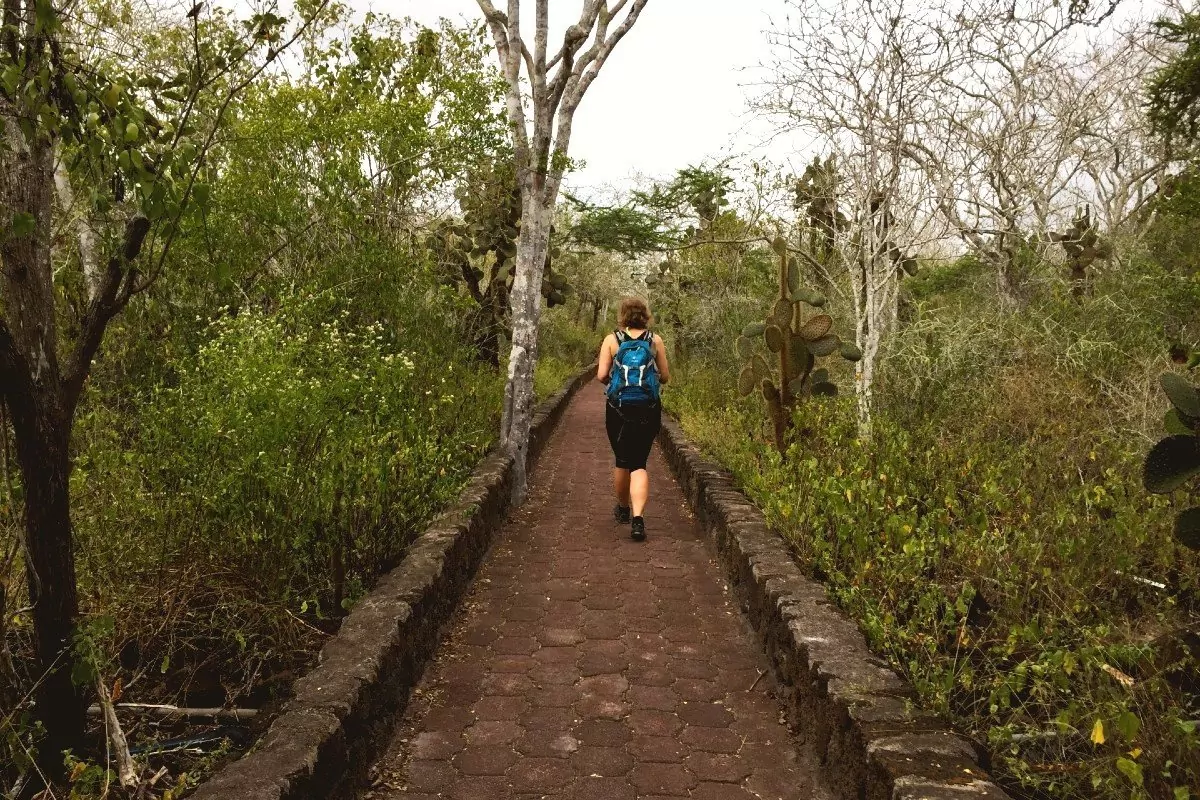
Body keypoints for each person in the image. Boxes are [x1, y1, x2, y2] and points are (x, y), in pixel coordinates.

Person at [596, 297, 671, 541]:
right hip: (648, 408)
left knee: (622, 460)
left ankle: (623, 509)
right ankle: (638, 520)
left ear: (622, 316)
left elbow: (601, 375)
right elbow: (665, 376)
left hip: (618, 408)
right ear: (645, 316)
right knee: (639, 463)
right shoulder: (655, 340)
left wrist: (617, 384)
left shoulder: (612, 340)